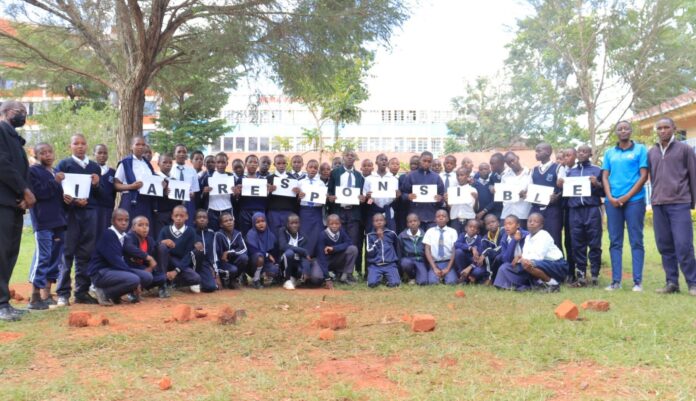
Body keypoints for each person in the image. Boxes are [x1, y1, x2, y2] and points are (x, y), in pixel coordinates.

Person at [648, 117, 696, 296]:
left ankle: (693, 283)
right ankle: (672, 282)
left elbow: (693, 175)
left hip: (679, 203)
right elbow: (652, 177)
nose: (662, 131)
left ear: (674, 129)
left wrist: (692, 202)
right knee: (664, 245)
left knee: (684, 245)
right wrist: (654, 199)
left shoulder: (685, 149)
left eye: (666, 127)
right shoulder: (651, 151)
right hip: (659, 204)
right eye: (659, 128)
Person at [602, 121, 648, 291]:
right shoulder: (609, 153)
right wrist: (610, 197)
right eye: (620, 129)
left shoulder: (640, 150)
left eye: (626, 128)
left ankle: (637, 282)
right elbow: (605, 177)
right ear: (616, 132)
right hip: (612, 202)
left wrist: (626, 197)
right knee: (615, 242)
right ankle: (616, 282)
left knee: (636, 240)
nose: (623, 131)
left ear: (631, 131)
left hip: (634, 200)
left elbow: (643, 176)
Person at [56, 134, 102, 306]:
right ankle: (63, 293)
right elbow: (58, 190)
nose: (80, 146)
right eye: (76, 143)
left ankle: (82, 291)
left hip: (89, 214)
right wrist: (71, 199)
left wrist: (97, 184)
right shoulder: (64, 165)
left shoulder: (94, 167)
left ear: (87, 146)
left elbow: (100, 194)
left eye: (83, 143)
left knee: (86, 254)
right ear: (71, 146)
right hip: (71, 214)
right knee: (67, 253)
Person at [0, 101, 35, 320]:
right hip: (2, 203)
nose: (22, 114)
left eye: (24, 111)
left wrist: (22, 196)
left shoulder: (14, 137)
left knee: (10, 254)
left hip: (13, 205)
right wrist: (24, 190)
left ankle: (4, 302)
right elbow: (2, 164)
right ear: (4, 112)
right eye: (17, 111)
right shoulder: (1, 131)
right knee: (1, 254)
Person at [27, 143, 66, 310]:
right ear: (36, 156)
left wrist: (67, 198)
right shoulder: (33, 172)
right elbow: (38, 194)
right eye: (43, 153)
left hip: (59, 221)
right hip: (43, 221)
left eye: (50, 152)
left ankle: (47, 294)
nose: (48, 155)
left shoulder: (56, 171)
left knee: (54, 258)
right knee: (43, 257)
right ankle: (35, 296)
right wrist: (55, 182)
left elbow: (58, 195)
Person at [559, 145, 603, 287]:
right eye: (579, 151)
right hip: (575, 211)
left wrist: (597, 184)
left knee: (595, 243)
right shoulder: (570, 172)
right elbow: (565, 194)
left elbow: (605, 192)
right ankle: (581, 275)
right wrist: (561, 186)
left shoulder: (597, 170)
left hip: (592, 209)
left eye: (585, 151)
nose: (581, 153)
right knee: (577, 244)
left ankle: (595, 274)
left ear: (590, 153)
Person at [493, 213, 567, 292]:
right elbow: (524, 254)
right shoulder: (528, 237)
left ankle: (552, 284)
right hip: (536, 264)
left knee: (527, 264)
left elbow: (538, 256)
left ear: (541, 225)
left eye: (535, 221)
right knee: (506, 267)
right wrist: (519, 256)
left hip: (556, 265)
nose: (531, 223)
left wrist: (521, 258)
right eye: (529, 221)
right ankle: (531, 285)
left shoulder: (544, 235)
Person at [87, 209, 142, 306]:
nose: (124, 223)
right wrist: (133, 276)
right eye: (120, 220)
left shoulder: (124, 236)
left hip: (113, 271)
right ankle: (103, 293)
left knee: (146, 277)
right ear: (112, 221)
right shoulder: (109, 235)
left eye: (126, 220)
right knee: (134, 279)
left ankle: (116, 295)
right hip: (100, 272)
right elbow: (115, 261)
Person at [327, 150, 364, 281]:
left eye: (352, 155)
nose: (350, 157)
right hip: (338, 211)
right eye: (347, 155)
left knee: (352, 243)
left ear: (355, 159)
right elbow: (329, 190)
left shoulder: (359, 176)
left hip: (353, 213)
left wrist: (362, 198)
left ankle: (348, 273)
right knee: (338, 241)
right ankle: (338, 271)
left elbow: (362, 194)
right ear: (343, 157)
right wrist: (329, 197)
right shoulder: (335, 173)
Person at [114, 136, 158, 226]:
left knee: (144, 229)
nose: (141, 147)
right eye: (137, 144)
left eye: (143, 145)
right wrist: (131, 186)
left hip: (146, 201)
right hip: (131, 200)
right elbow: (116, 185)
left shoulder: (147, 164)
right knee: (129, 228)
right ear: (131, 146)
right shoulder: (125, 163)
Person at [157, 205, 202, 291]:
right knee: (162, 247)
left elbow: (189, 254)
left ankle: (174, 282)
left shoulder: (190, 231)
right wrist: (163, 242)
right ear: (172, 216)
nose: (178, 218)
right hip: (167, 261)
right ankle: (163, 281)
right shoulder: (165, 230)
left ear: (187, 217)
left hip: (181, 263)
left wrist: (176, 271)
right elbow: (156, 247)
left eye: (181, 216)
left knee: (196, 279)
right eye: (176, 215)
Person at [123, 215, 168, 299]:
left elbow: (155, 249)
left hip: (144, 270)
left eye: (147, 225)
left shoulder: (149, 240)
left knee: (162, 277)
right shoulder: (129, 237)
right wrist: (148, 257)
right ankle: (131, 291)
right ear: (133, 227)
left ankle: (162, 287)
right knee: (145, 276)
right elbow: (129, 248)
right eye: (140, 225)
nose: (144, 228)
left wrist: (163, 243)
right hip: (131, 270)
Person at [529, 143, 564, 249]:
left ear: (548, 152)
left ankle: (558, 264)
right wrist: (525, 193)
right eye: (536, 151)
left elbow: (564, 188)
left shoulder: (558, 168)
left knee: (554, 239)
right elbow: (529, 188)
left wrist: (557, 197)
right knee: (536, 239)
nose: (536, 153)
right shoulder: (534, 170)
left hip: (552, 210)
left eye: (539, 151)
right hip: (536, 209)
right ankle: (538, 265)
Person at [400, 151, 445, 231]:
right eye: (424, 161)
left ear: (431, 162)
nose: (426, 163)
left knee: (431, 242)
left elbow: (442, 196)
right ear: (420, 160)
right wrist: (408, 196)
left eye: (429, 162)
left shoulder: (436, 177)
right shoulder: (411, 176)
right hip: (415, 217)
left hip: (432, 217)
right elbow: (403, 194)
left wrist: (439, 198)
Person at [278, 214, 323, 290]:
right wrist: (302, 251)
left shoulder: (303, 236)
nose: (294, 225)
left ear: (300, 224)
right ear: (287, 224)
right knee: (289, 253)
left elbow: (305, 257)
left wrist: (306, 271)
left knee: (304, 273)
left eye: (296, 223)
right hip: (284, 262)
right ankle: (287, 280)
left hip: (297, 262)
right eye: (292, 223)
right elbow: (283, 246)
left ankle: (295, 279)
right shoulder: (282, 231)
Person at [316, 214, 357, 287]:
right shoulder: (322, 235)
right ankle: (330, 276)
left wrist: (334, 248)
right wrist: (327, 278)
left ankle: (345, 275)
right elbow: (321, 257)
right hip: (327, 261)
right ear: (327, 224)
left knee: (353, 249)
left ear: (340, 224)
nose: (334, 226)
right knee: (317, 279)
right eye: (331, 224)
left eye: (337, 224)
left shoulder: (341, 231)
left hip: (338, 259)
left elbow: (349, 242)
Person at [199, 152, 236, 231]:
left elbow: (235, 196)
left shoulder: (231, 177)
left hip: (227, 208)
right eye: (218, 162)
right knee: (213, 232)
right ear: (215, 163)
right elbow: (201, 196)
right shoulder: (208, 177)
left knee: (228, 232)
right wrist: (204, 192)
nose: (220, 165)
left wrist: (236, 193)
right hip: (212, 209)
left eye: (223, 162)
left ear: (227, 163)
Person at [363, 153, 399, 233]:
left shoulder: (394, 179)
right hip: (373, 210)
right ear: (376, 162)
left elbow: (395, 198)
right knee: (372, 235)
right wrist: (368, 197)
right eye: (381, 159)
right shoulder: (369, 179)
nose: (384, 161)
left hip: (388, 211)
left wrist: (397, 196)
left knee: (390, 235)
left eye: (386, 160)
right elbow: (365, 197)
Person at [422, 209, 459, 285]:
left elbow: (454, 250)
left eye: (443, 216)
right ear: (435, 219)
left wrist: (448, 268)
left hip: (448, 262)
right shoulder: (430, 231)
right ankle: (438, 276)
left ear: (448, 219)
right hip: (434, 263)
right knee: (432, 282)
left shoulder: (453, 231)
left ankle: (446, 276)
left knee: (452, 282)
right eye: (438, 216)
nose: (441, 218)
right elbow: (427, 249)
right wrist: (434, 268)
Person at [236, 154, 269, 235]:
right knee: (245, 234)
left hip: (260, 210)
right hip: (245, 211)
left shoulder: (264, 180)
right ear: (245, 164)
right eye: (250, 162)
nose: (253, 164)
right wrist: (237, 193)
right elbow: (236, 199)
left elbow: (267, 198)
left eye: (255, 162)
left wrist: (269, 191)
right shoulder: (240, 180)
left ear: (258, 165)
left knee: (260, 234)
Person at [245, 212, 280, 289]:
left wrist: (276, 263)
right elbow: (252, 250)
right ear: (254, 223)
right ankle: (256, 279)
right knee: (259, 257)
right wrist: (267, 255)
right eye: (257, 222)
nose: (261, 224)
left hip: (265, 263)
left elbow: (275, 252)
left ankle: (262, 276)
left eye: (263, 221)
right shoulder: (251, 234)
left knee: (275, 270)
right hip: (252, 263)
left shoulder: (271, 235)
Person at [213, 213, 248, 289]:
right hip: (221, 264)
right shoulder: (218, 235)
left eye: (231, 220)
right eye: (226, 221)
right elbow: (214, 255)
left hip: (232, 262)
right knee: (233, 270)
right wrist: (216, 275)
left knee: (244, 258)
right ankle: (223, 279)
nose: (229, 222)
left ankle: (233, 280)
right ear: (221, 225)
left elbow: (244, 249)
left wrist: (229, 252)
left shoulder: (238, 234)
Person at [267, 154, 299, 235]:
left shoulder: (293, 179)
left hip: (288, 211)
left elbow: (296, 199)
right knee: (274, 235)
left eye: (284, 163)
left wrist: (297, 193)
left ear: (287, 164)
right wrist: (269, 191)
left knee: (287, 235)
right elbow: (265, 199)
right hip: (273, 212)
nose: (281, 165)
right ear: (274, 164)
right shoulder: (269, 178)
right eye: (279, 163)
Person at [365, 214, 401, 288]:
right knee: (371, 284)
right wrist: (378, 239)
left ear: (385, 222)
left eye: (381, 220)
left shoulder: (391, 233)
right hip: (375, 265)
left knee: (395, 283)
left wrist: (396, 262)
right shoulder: (370, 235)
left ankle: (387, 277)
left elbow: (397, 247)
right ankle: (379, 277)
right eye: (376, 221)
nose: (379, 222)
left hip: (390, 264)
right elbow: (370, 252)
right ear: (373, 223)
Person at [298, 160, 325, 255]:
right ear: (306, 168)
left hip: (316, 211)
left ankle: (314, 258)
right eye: (311, 167)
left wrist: (325, 196)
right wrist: (299, 195)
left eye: (315, 168)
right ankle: (304, 256)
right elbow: (296, 198)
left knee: (316, 234)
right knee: (304, 233)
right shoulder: (300, 182)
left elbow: (323, 198)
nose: (313, 169)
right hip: (304, 211)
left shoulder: (321, 183)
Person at [500, 151, 531, 228]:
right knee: (505, 237)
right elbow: (502, 193)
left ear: (517, 157)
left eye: (513, 160)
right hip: (507, 213)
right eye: (509, 163)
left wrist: (525, 194)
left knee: (521, 237)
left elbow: (533, 192)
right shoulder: (505, 176)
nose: (512, 163)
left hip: (523, 213)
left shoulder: (530, 174)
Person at [173, 144, 201, 224]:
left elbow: (195, 190)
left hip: (188, 203)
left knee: (188, 226)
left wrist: (193, 194)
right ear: (174, 154)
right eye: (179, 152)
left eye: (184, 152)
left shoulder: (192, 171)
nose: (182, 154)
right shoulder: (169, 170)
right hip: (173, 202)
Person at [561, 148, 577, 282]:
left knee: (575, 241)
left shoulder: (578, 170)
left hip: (576, 209)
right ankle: (568, 270)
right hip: (563, 209)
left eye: (568, 155)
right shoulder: (562, 170)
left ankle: (577, 271)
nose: (566, 158)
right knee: (567, 241)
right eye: (563, 156)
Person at [93, 144, 116, 240]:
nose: (102, 155)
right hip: (93, 208)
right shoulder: (90, 169)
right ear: (94, 154)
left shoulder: (113, 172)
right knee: (93, 234)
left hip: (107, 209)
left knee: (105, 235)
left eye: (105, 153)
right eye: (99, 153)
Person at [446, 167, 478, 233]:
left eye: (462, 175)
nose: (459, 177)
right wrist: (446, 201)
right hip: (455, 220)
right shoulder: (452, 190)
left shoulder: (472, 190)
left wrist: (476, 199)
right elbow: (450, 207)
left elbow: (475, 209)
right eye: (457, 175)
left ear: (467, 176)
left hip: (469, 219)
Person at [397, 213, 426, 285]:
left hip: (420, 261)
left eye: (415, 221)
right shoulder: (402, 236)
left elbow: (427, 252)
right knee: (405, 263)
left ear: (419, 222)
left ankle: (419, 274)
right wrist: (399, 272)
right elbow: (399, 253)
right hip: (408, 260)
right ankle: (411, 277)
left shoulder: (425, 235)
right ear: (407, 224)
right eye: (410, 222)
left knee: (423, 282)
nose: (413, 223)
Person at [455, 219, 486, 284]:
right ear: (466, 228)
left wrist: (471, 266)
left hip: (474, 264)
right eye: (470, 227)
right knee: (458, 252)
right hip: (463, 262)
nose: (472, 229)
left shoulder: (480, 239)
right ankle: (463, 276)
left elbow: (479, 255)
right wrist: (471, 248)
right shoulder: (462, 235)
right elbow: (457, 244)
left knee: (478, 272)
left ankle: (470, 277)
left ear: (478, 231)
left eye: (475, 228)